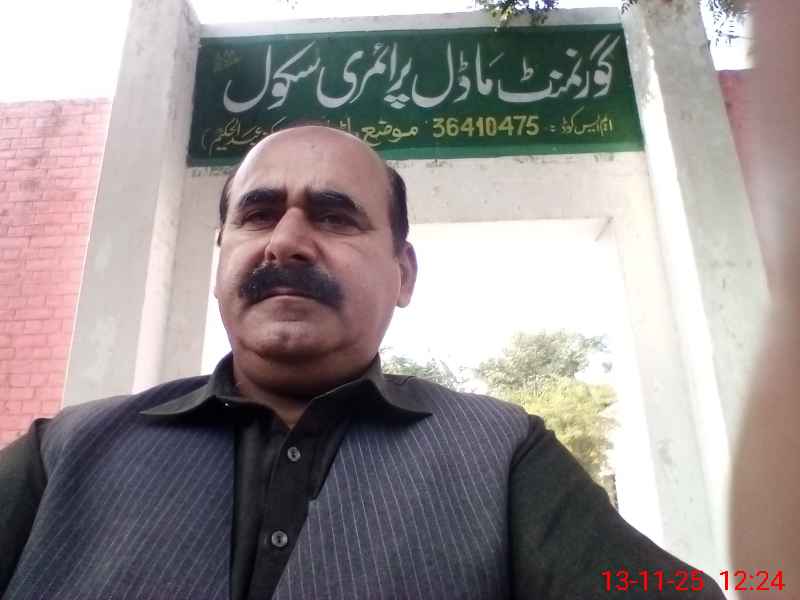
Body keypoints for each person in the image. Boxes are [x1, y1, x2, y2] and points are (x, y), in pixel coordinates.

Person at [0, 125, 724, 599]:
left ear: (403, 274)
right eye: (257, 214)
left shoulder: (502, 453)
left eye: (334, 216)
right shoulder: (62, 455)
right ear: (222, 255)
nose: (285, 241)